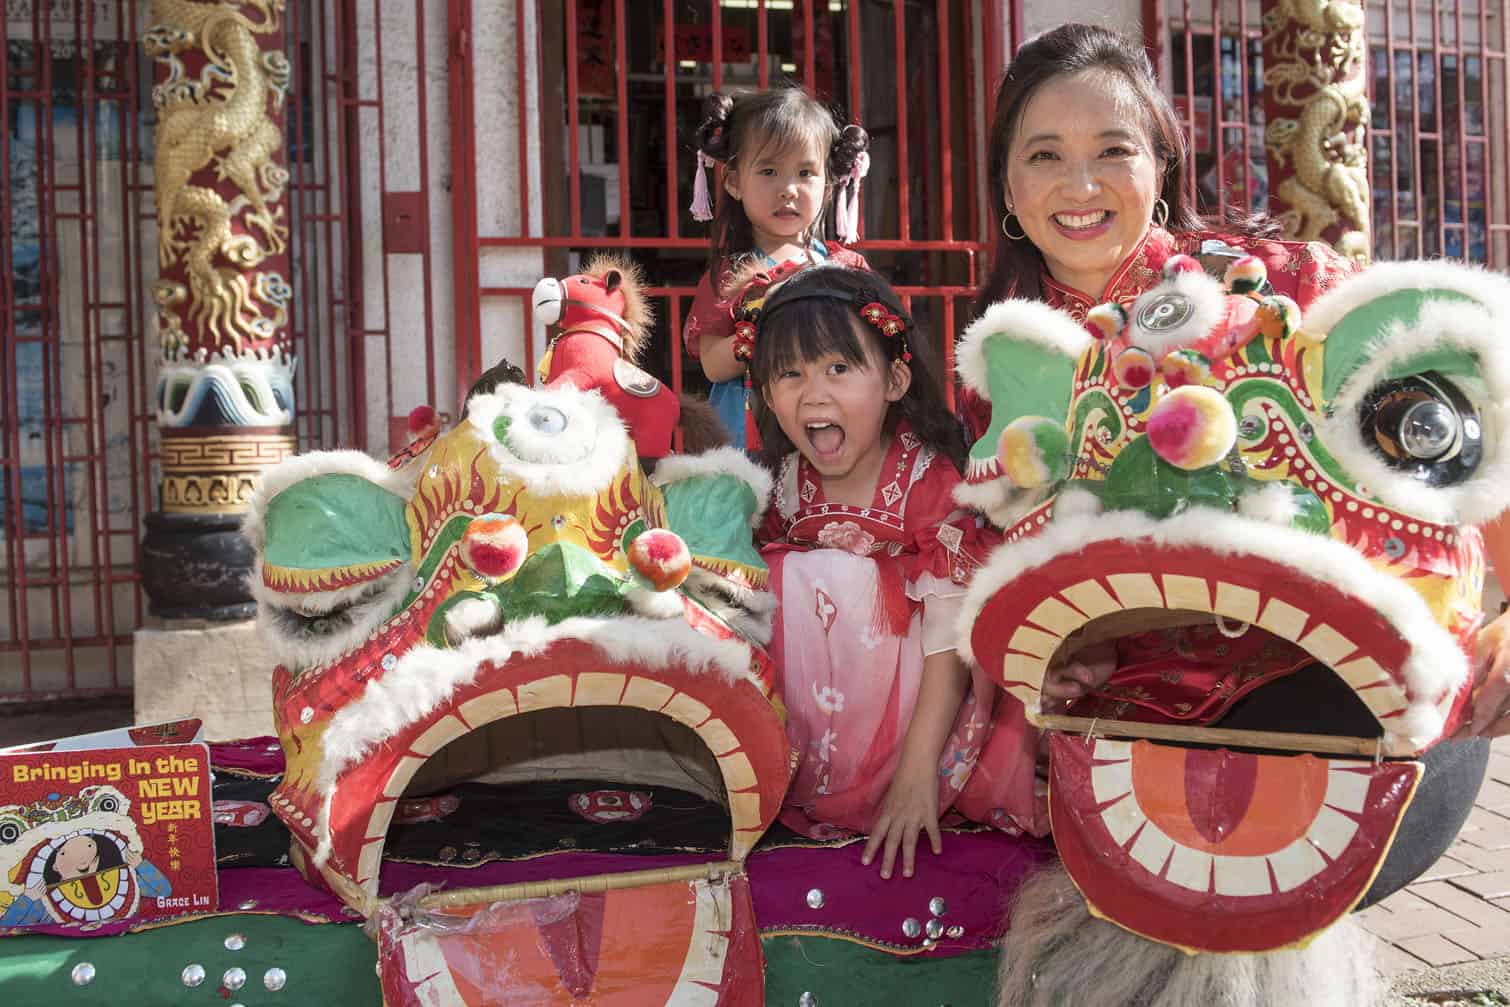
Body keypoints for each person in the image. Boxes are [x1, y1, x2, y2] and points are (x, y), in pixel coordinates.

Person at [748, 266, 1044, 880]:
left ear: (894, 379)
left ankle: (891, 782)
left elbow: (951, 635)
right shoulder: (778, 485)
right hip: (823, 717)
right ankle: (801, 777)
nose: (814, 394)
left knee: (851, 583)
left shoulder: (927, 480)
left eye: (838, 368)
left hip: (922, 708)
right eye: (790, 374)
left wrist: (917, 778)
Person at [683, 88, 872, 451]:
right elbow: (713, 366)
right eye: (769, 171)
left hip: (830, 427)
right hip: (748, 433)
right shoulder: (729, 275)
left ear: (829, 185)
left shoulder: (847, 268)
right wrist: (764, 325)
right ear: (734, 181)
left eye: (805, 172)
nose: (788, 189)